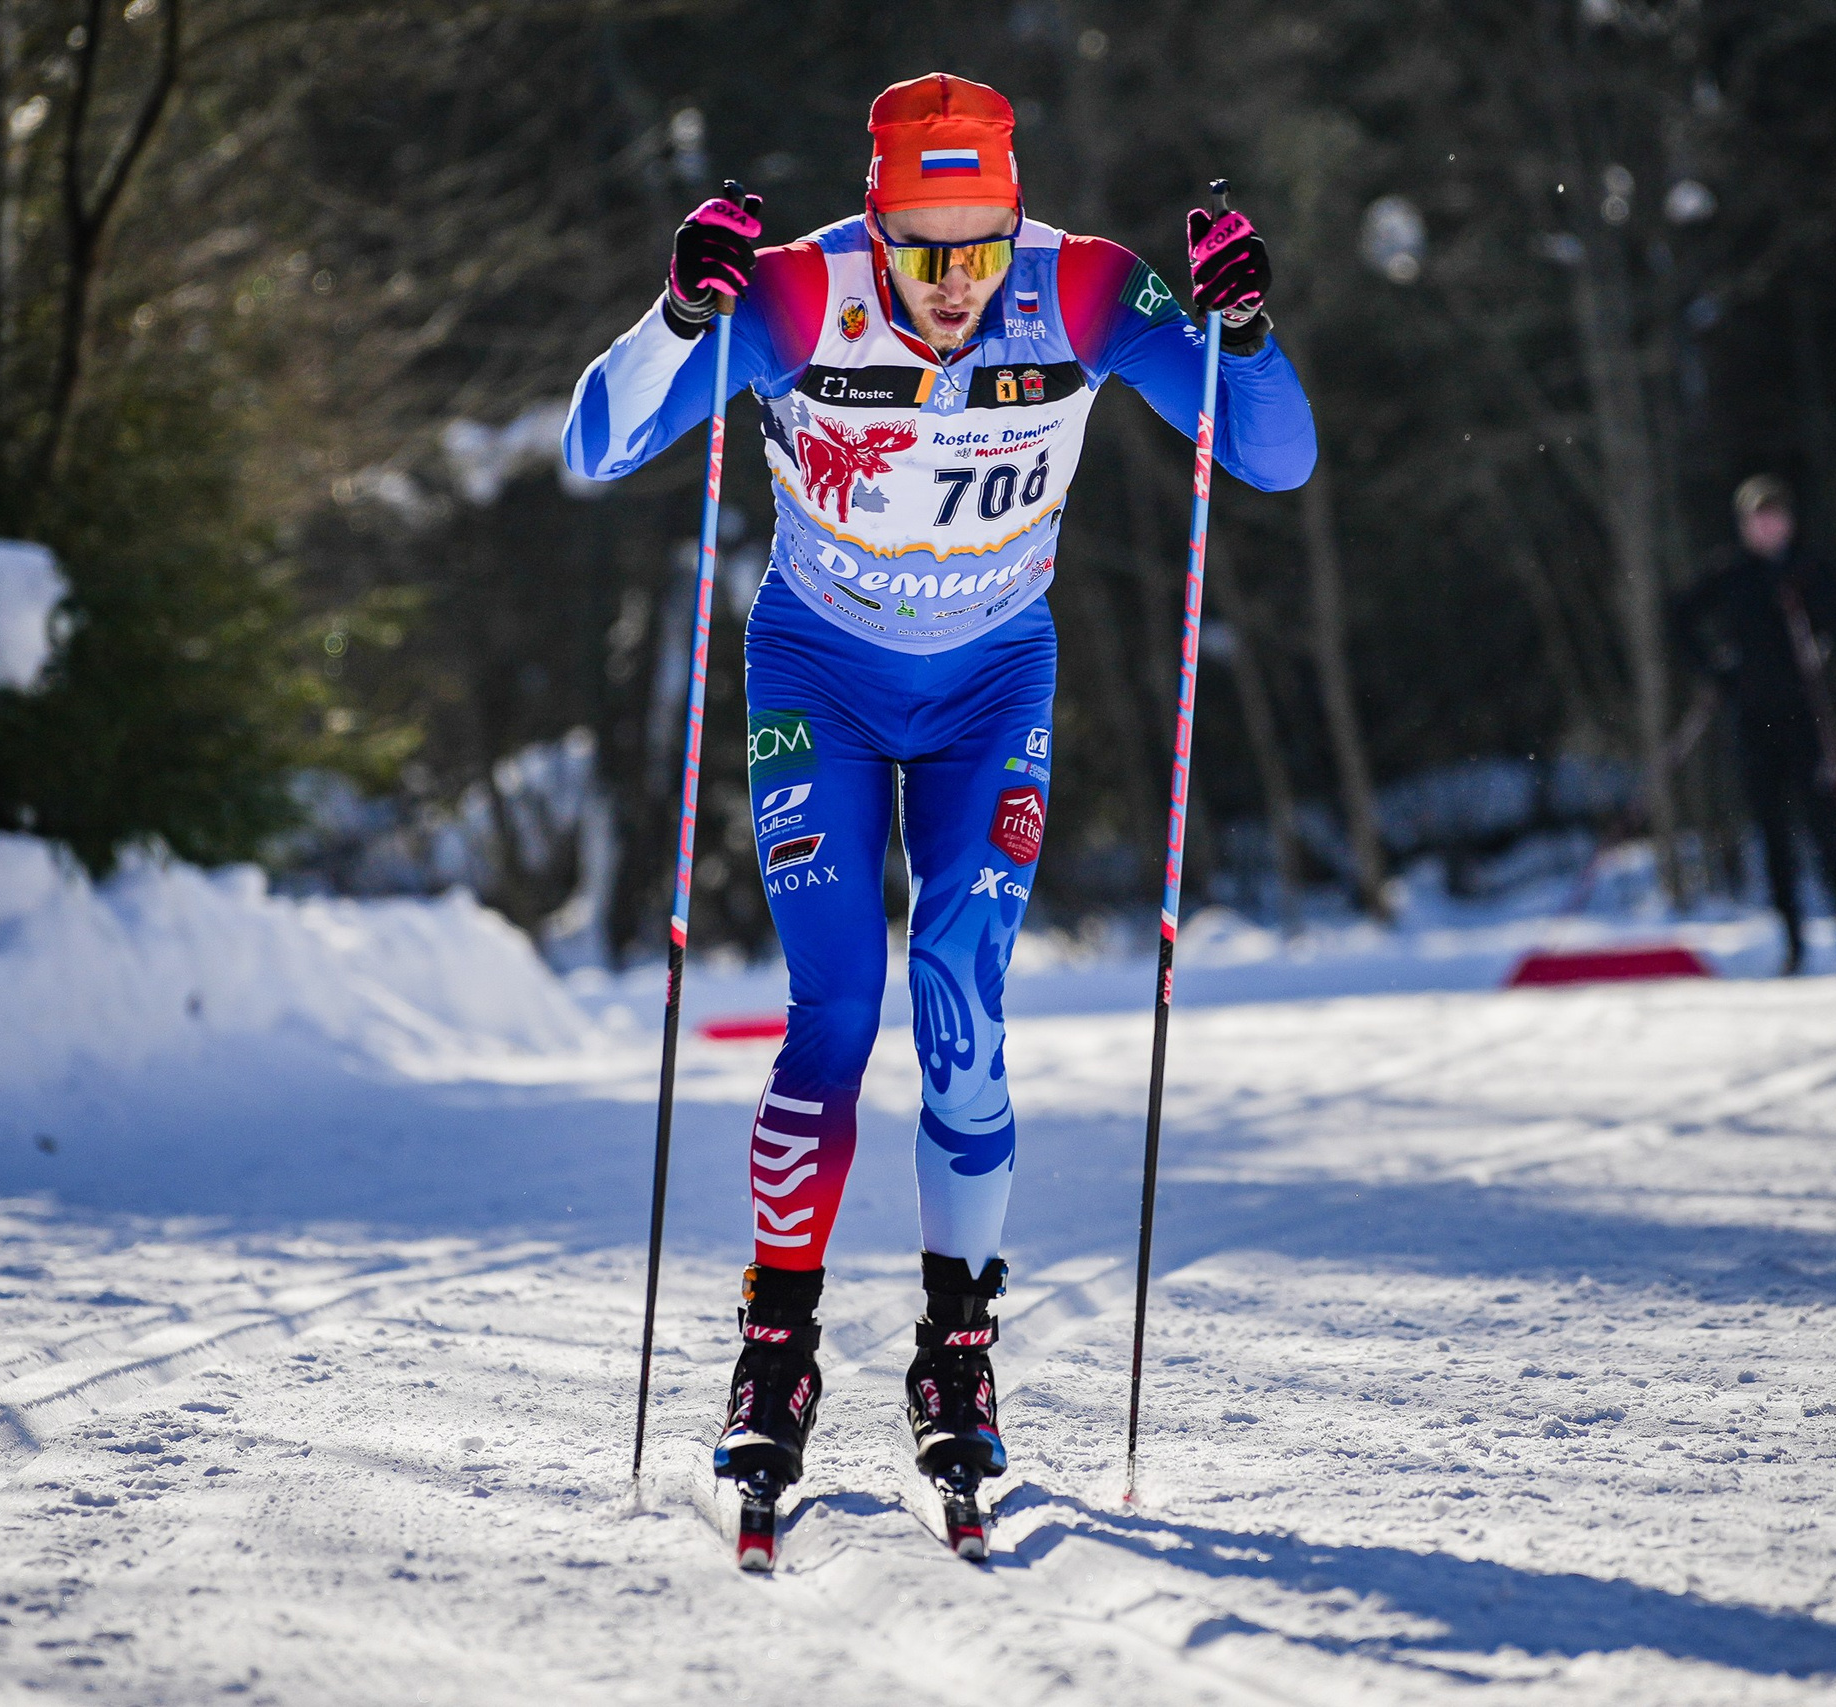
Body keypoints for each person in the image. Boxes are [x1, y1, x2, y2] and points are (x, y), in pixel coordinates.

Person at [561, 73, 1315, 1533]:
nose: (956, 282)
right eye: (924, 250)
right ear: (877, 221)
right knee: (836, 1003)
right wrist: (678, 316)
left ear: (1017, 218)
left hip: (988, 693)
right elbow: (597, 449)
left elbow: (1270, 455)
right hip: (818, 680)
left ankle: (956, 1353)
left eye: (981, 246)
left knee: (961, 999)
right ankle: (773, 1351)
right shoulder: (793, 296)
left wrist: (1242, 328)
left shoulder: (1087, 289)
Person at [1671, 475, 1836, 974]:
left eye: (1775, 515)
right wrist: (1715, 673)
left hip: (1808, 720)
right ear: (1744, 525)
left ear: (1789, 521)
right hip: (1753, 722)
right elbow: (1679, 617)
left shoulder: (1808, 570)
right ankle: (1793, 945)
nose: (1767, 526)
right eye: (1758, 518)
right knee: (1773, 835)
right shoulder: (1732, 573)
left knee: (1827, 829)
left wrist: (1823, 646)